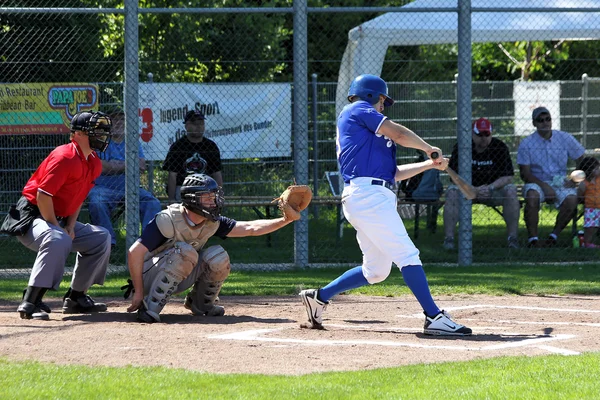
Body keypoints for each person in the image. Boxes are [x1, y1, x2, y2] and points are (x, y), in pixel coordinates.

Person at [299, 74, 471, 336]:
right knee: (408, 255)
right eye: (382, 101)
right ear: (370, 95)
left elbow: (394, 174)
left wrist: (429, 164)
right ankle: (433, 316)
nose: (383, 106)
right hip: (368, 197)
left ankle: (318, 297)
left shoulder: (369, 135)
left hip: (371, 196)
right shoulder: (357, 109)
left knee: (376, 271)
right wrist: (428, 148)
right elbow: (400, 133)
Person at [126, 173, 297, 323]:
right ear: (192, 199)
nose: (213, 201)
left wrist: (285, 220)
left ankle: (200, 304)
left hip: (179, 271)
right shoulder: (168, 220)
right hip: (149, 276)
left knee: (218, 257)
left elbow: (250, 228)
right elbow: (135, 252)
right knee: (185, 252)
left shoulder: (211, 222)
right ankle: (149, 306)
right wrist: (139, 291)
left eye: (213, 196)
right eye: (207, 197)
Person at [3, 111, 113, 320]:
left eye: (102, 131)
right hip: (31, 217)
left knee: (101, 238)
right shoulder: (65, 156)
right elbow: (43, 195)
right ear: (78, 134)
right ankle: (30, 300)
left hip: (58, 218)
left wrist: (70, 225)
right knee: (57, 237)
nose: (101, 135)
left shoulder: (93, 162)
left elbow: (78, 198)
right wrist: (58, 227)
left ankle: (76, 297)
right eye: (95, 131)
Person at [87, 110, 162, 248]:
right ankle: (108, 242)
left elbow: (141, 166)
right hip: (104, 189)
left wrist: (115, 165)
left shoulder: (132, 142)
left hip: (131, 188)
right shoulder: (100, 141)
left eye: (122, 120)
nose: (118, 123)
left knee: (153, 202)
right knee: (96, 202)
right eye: (114, 120)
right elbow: (101, 167)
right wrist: (129, 164)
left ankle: (147, 243)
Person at [443, 117, 520, 250]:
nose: (483, 138)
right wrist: (473, 189)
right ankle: (449, 239)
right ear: (472, 134)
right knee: (452, 192)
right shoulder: (462, 147)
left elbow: (508, 177)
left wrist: (490, 188)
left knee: (511, 190)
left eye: (486, 134)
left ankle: (512, 238)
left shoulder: (499, 147)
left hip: (493, 190)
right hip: (467, 190)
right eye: (479, 135)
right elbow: (453, 176)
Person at [517, 107, 585, 248]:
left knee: (572, 200)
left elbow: (582, 159)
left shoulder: (564, 138)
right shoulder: (527, 143)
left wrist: (574, 179)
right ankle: (533, 240)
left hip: (560, 181)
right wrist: (544, 186)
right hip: (536, 181)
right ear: (534, 123)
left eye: (547, 119)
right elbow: (525, 174)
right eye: (540, 120)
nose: (545, 123)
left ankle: (553, 237)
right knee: (532, 196)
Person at [162, 109, 223, 203]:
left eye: (201, 123)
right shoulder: (178, 146)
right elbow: (172, 175)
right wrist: (171, 199)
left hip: (205, 188)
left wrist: (219, 197)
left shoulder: (211, 146)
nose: (198, 126)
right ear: (186, 126)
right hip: (184, 188)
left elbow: (217, 174)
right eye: (195, 123)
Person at [576, 157, 600, 248]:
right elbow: (580, 195)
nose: (599, 170)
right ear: (590, 170)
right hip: (591, 208)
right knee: (590, 227)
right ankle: (587, 242)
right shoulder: (584, 183)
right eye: (597, 168)